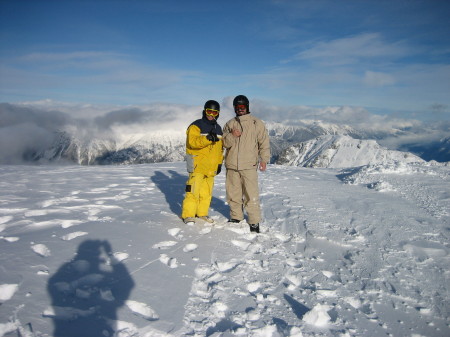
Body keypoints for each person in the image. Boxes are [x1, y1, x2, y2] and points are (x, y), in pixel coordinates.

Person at [222, 95, 270, 233]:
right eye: (237, 107)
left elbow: (264, 143)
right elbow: (224, 143)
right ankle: (236, 217)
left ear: (247, 107)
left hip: (249, 165)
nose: (240, 110)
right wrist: (232, 135)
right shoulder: (230, 124)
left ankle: (254, 222)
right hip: (232, 165)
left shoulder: (257, 123)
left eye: (242, 107)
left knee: (251, 194)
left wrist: (264, 160)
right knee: (233, 194)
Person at [181, 100, 223, 224]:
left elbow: (220, 149)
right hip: (197, 165)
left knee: (206, 193)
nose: (211, 114)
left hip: (210, 168)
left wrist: (219, 163)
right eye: (209, 111)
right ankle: (188, 215)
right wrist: (207, 138)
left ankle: (202, 213)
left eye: (214, 112)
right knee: (192, 191)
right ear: (204, 111)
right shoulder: (196, 126)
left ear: (218, 114)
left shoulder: (218, 128)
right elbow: (192, 142)